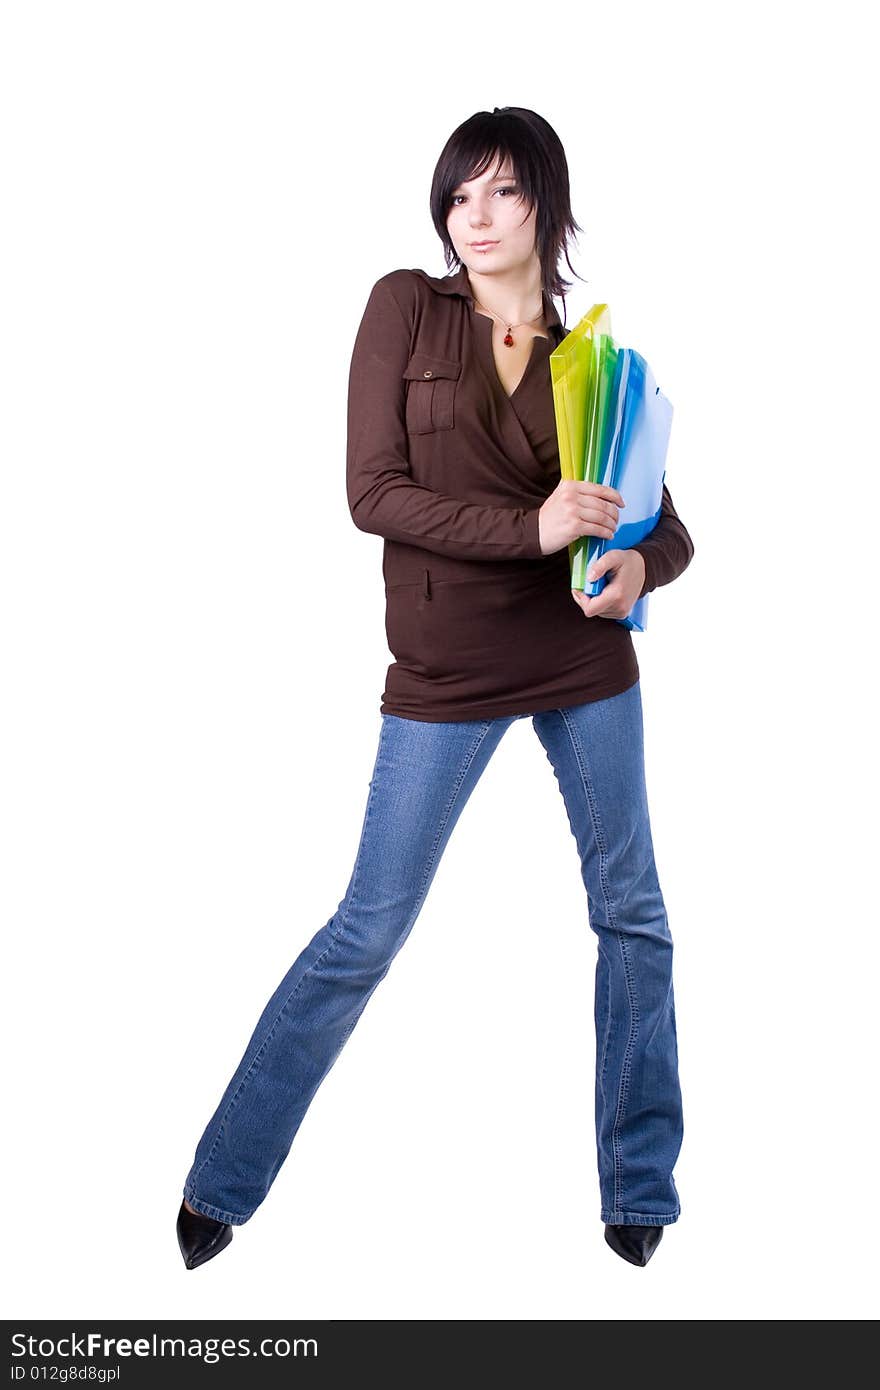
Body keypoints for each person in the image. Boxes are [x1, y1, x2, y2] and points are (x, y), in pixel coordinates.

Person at [177, 106, 694, 1272]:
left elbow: (672, 526)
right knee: (368, 925)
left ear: (545, 208)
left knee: (633, 915)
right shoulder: (403, 307)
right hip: (446, 666)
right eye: (460, 193)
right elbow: (373, 491)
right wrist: (533, 525)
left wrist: (631, 565)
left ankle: (638, 1186)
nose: (476, 214)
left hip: (582, 659)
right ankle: (222, 1180)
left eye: (504, 191)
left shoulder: (592, 360)